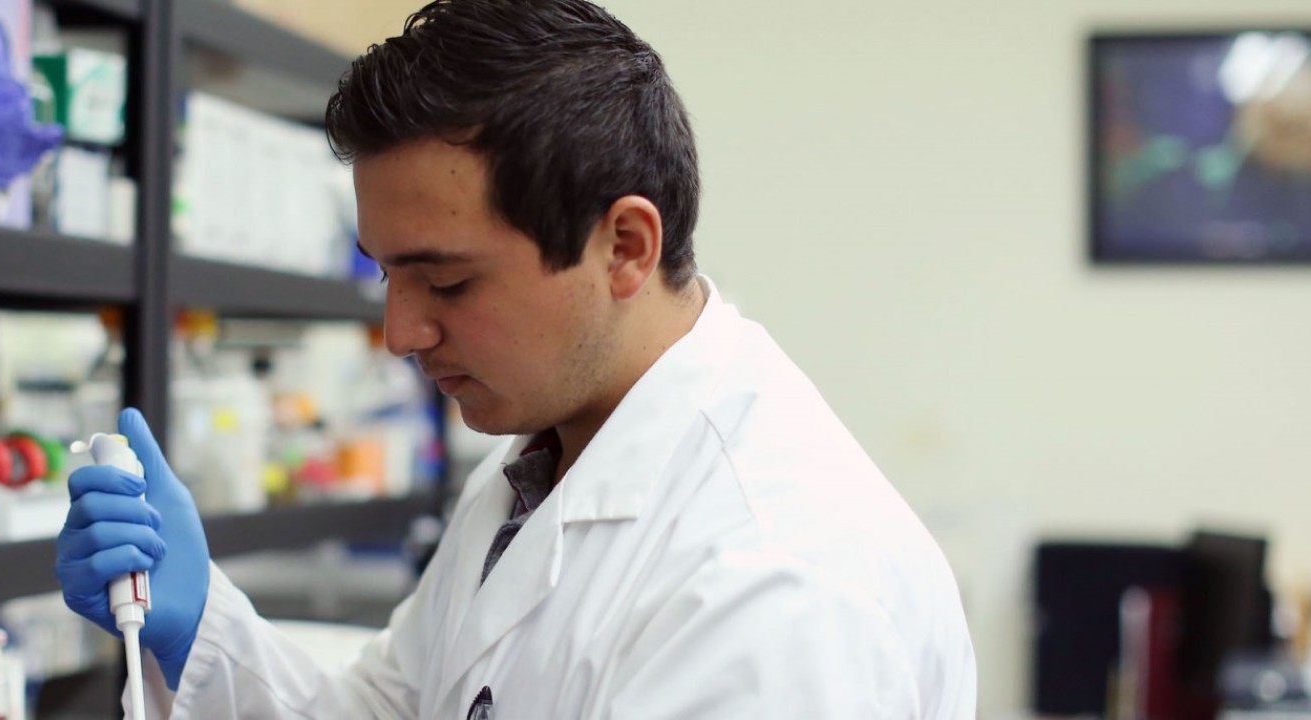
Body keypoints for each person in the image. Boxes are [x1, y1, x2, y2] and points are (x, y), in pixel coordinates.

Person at [54, 0, 978, 716]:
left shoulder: (773, 586)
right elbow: (393, 712)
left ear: (624, 246)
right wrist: (198, 625)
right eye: (387, 276)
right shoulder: (539, 462)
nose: (402, 333)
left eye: (447, 283)